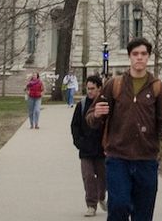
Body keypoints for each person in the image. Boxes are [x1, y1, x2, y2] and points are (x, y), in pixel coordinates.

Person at [85, 36, 162, 221]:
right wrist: (97, 114)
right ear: (130, 57)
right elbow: (91, 116)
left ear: (148, 57)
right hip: (118, 158)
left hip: (146, 159)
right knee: (119, 205)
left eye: (143, 54)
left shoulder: (158, 88)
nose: (139, 58)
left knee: (143, 214)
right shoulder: (114, 85)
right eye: (135, 54)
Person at [70, 73, 108, 216]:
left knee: (103, 177)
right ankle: (91, 205)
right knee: (88, 176)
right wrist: (79, 142)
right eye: (88, 88)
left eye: (92, 88)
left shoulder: (105, 105)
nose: (90, 91)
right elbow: (75, 126)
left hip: (102, 150)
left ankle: (101, 197)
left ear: (99, 89)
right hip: (86, 149)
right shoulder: (82, 105)